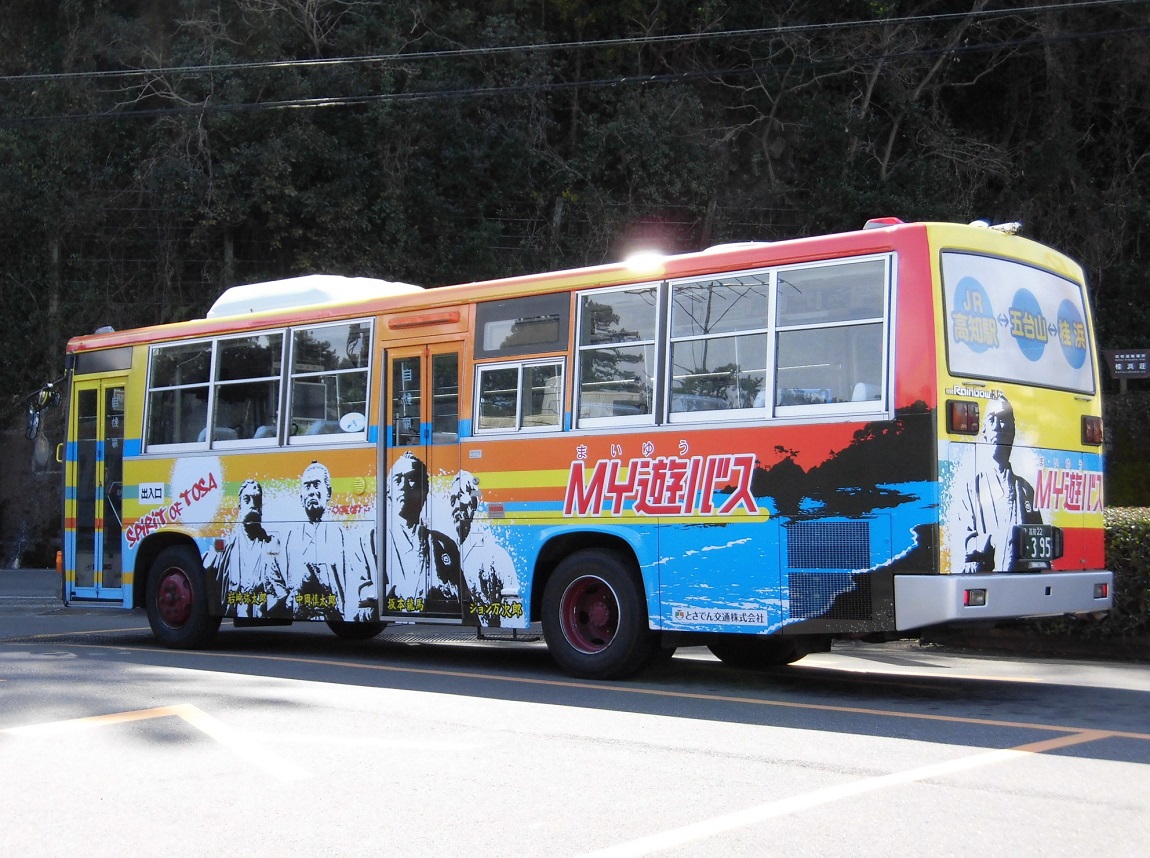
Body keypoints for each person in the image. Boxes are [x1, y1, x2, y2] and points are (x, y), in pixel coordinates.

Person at [959, 395, 1044, 572]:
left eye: (1004, 420)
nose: (997, 426)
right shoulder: (970, 487)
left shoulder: (1025, 489)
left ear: (1012, 431)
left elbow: (1039, 553)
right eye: (991, 420)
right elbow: (961, 542)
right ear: (984, 432)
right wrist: (991, 541)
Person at [384, 451, 463, 614]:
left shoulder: (443, 544)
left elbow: (462, 599)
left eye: (411, 479)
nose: (404, 486)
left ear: (425, 490)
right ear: (388, 491)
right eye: (398, 479)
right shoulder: (372, 541)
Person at [449, 470, 520, 626]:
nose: (456, 505)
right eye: (452, 499)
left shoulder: (496, 556)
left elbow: (513, 612)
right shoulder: (448, 551)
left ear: (474, 503)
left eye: (460, 496)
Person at [203, 479, 283, 618]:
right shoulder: (226, 546)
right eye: (247, 500)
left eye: (256, 500)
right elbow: (206, 566)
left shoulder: (271, 543)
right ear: (239, 506)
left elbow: (281, 593)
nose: (252, 505)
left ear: (261, 507)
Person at [282, 461, 349, 620]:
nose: (312, 492)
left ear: (329, 492)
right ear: (301, 497)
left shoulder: (340, 534)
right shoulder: (293, 535)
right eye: (307, 486)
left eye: (316, 485)